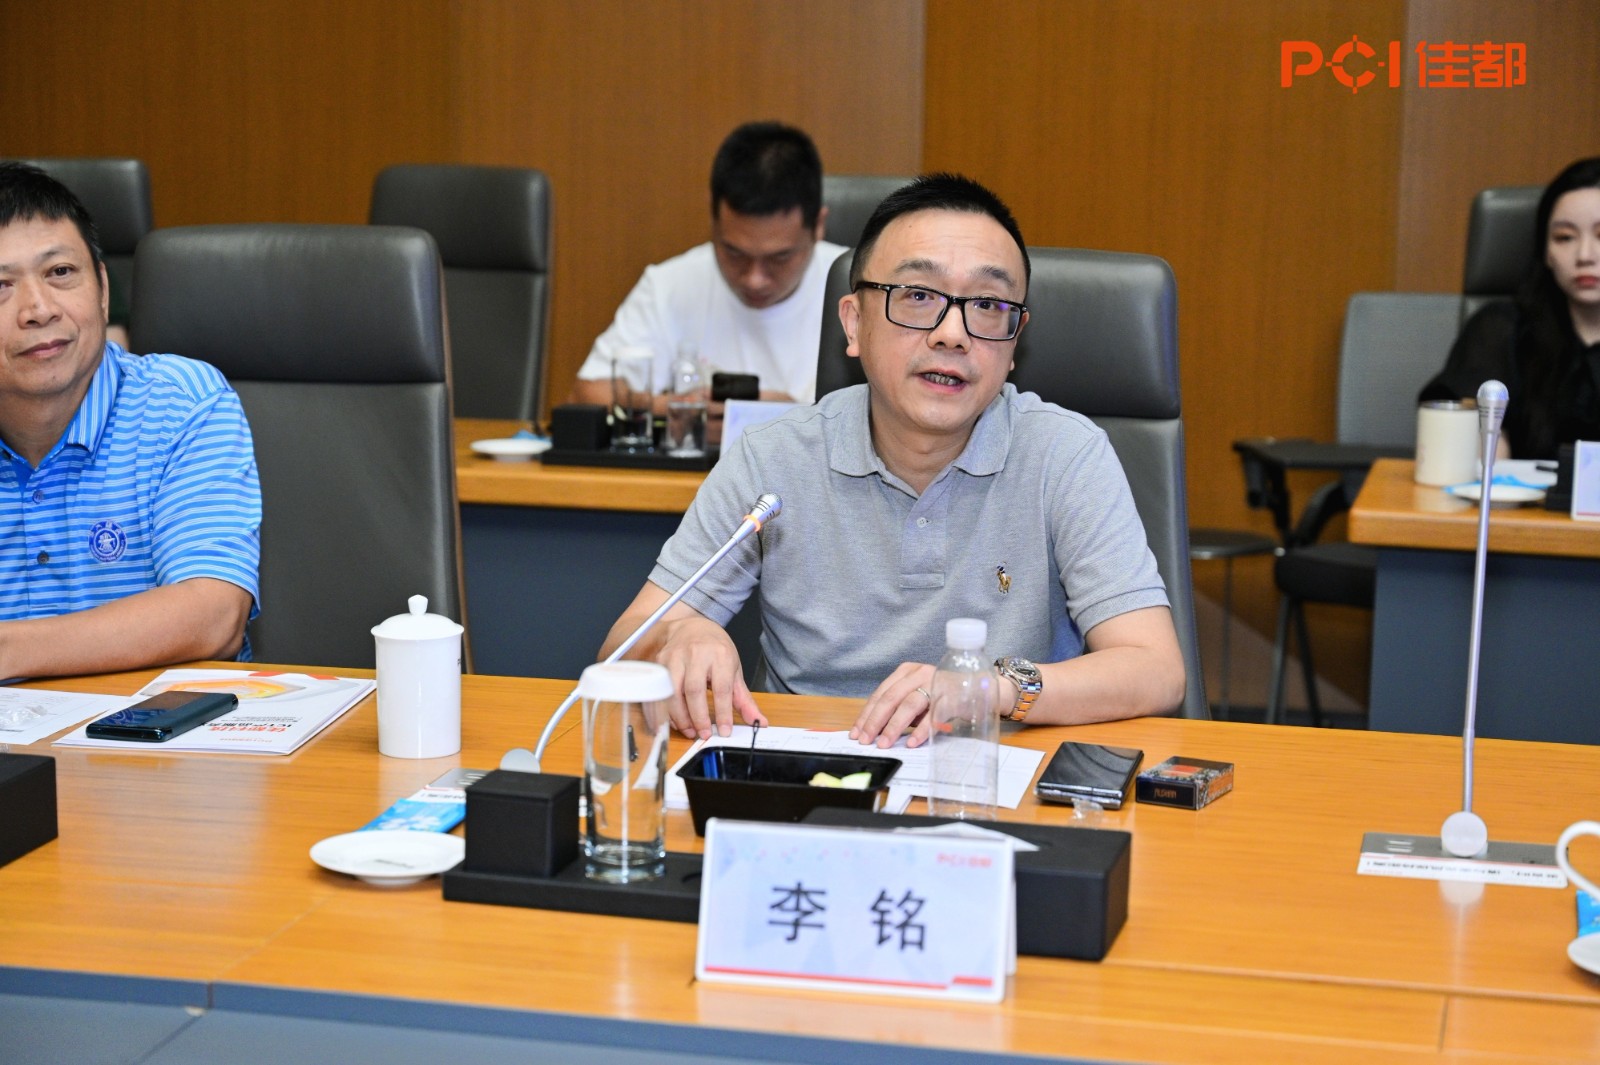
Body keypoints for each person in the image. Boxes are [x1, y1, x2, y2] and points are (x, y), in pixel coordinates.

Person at [596, 174, 1186, 744]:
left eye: (987, 304)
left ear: (1014, 343)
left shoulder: (1065, 454)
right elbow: (620, 648)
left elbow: (1155, 668)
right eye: (919, 296)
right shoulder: (772, 458)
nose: (952, 333)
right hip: (804, 773)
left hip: (989, 774)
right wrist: (680, 635)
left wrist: (987, 687)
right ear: (854, 324)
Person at [0, 161, 260, 679]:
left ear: (102, 288)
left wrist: (8, 650)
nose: (38, 309)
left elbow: (213, 614)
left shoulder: (180, 403)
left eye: (60, 273)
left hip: (158, 727)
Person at [568, 121, 847, 408]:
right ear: (714, 222)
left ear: (818, 226)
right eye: (734, 253)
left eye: (779, 257)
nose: (754, 279)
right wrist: (682, 410)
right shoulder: (669, 285)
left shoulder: (857, 287)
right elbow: (586, 394)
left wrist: (787, 418)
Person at [1420, 156, 1600, 458]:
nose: (1585, 255)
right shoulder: (1502, 330)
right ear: (1546, 252)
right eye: (1565, 237)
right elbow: (1481, 456)